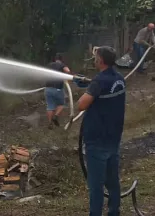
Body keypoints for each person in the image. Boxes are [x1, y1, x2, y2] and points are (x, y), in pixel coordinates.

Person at [77, 46, 126, 216]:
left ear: (101, 60)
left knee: (96, 186)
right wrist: (90, 85)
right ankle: (114, 212)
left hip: (97, 141)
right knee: (113, 182)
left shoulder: (99, 82)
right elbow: (105, 91)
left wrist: (90, 88)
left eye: (96, 57)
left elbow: (81, 105)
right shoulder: (119, 79)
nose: (94, 59)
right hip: (113, 138)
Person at [44, 53, 71, 128]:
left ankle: (50, 123)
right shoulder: (61, 65)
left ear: (55, 59)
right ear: (61, 59)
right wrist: (65, 76)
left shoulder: (49, 65)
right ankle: (55, 116)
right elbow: (68, 71)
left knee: (50, 106)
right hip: (58, 89)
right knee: (61, 104)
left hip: (48, 88)